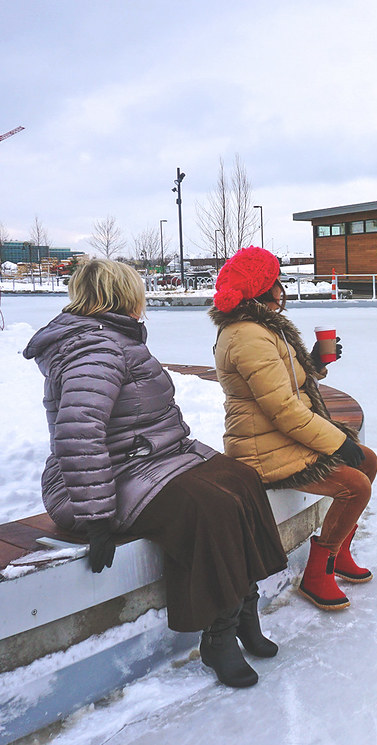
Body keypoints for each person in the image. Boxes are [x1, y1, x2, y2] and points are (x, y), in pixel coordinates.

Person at [22, 259, 287, 689]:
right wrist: (96, 517)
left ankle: (244, 609)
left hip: (148, 459)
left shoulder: (112, 337)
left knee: (242, 479)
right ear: (122, 296)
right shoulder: (95, 348)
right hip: (102, 479)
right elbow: (79, 431)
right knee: (210, 507)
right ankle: (218, 632)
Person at [208, 246, 377, 613]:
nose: (281, 288)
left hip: (279, 437)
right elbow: (283, 409)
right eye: (276, 281)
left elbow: (284, 384)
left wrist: (313, 362)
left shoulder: (261, 328)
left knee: (368, 461)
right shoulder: (247, 336)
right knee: (356, 485)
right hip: (262, 450)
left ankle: (338, 552)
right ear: (262, 289)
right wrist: (337, 443)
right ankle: (318, 572)